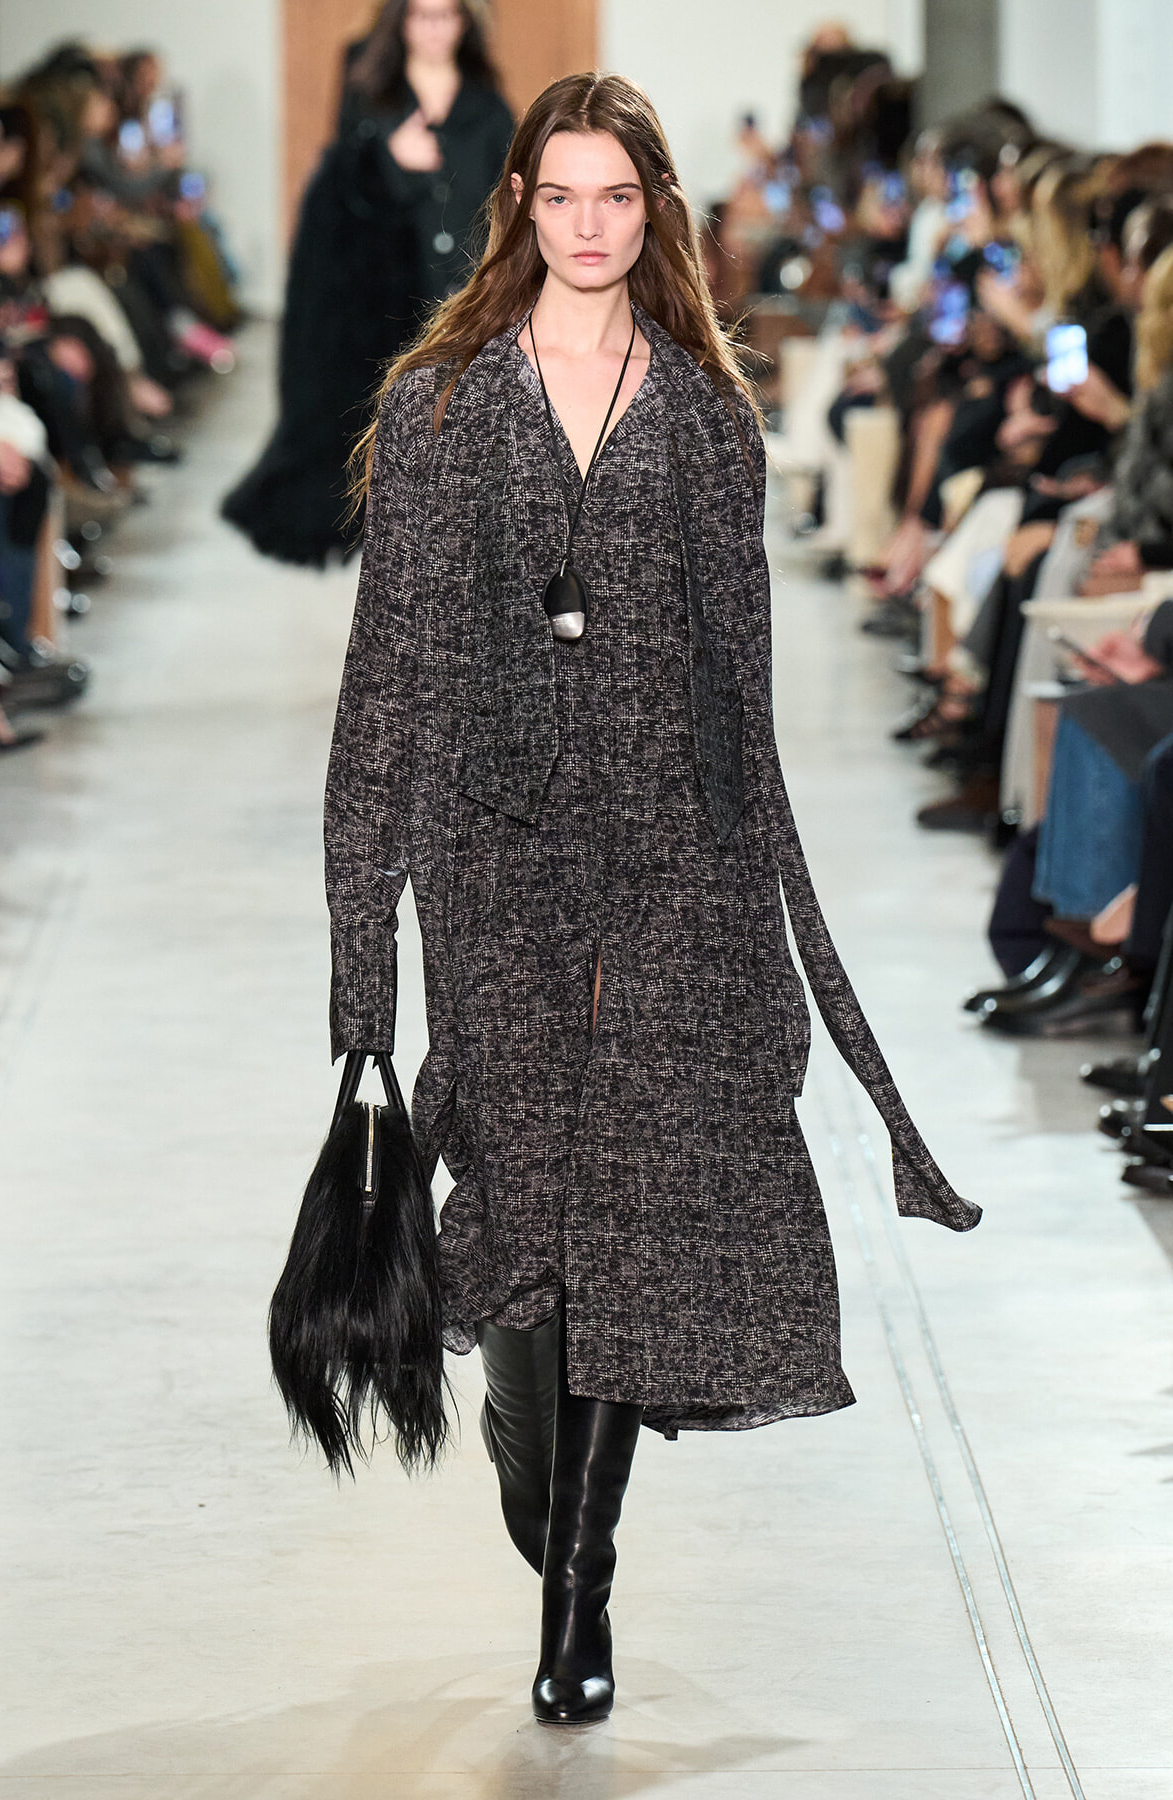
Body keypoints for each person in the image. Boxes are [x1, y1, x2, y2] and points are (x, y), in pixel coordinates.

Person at [324, 72, 979, 1729]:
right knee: (526, 1211)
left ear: (654, 209)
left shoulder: (705, 418)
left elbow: (739, 695)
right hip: (494, 866)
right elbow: (385, 686)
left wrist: (767, 933)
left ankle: (577, 1596)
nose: (592, 224)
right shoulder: (443, 411)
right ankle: (542, 1487)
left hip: (670, 865)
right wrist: (362, 980)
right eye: (564, 196)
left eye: (619, 196)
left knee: (621, 1223)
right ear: (524, 209)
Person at [222, 0, 512, 567]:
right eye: (420, 16)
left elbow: (503, 201)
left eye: (445, 16)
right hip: (384, 292)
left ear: (464, 23)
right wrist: (385, 157)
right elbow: (340, 193)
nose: (432, 29)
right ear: (400, 22)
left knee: (463, 435)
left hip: (465, 293)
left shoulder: (490, 109)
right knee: (391, 429)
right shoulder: (371, 94)